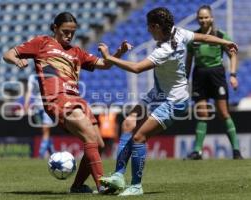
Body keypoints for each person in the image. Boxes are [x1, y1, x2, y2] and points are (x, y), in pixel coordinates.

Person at [97, 7, 238, 196]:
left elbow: (138, 68)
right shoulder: (179, 32)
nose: (147, 30)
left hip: (175, 100)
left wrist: (109, 58)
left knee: (139, 137)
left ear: (155, 26)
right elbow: (204, 38)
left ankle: (136, 185)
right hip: (158, 93)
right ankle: (118, 176)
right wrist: (225, 42)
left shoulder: (165, 49)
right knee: (129, 123)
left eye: (149, 27)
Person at [3, 12, 131, 193]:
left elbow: (105, 64)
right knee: (90, 137)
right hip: (57, 98)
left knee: (99, 144)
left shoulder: (76, 51)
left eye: (72, 32)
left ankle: (77, 186)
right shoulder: (41, 43)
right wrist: (17, 60)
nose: (69, 35)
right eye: (65, 31)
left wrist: (118, 53)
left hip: (77, 99)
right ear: (55, 28)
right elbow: (8, 54)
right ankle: (102, 184)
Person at [185, 5, 243, 160]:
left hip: (217, 75)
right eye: (201, 17)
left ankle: (236, 151)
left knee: (223, 113)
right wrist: (185, 78)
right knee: (202, 114)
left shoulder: (220, 35)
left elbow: (233, 55)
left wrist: (233, 75)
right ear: (198, 19)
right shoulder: (193, 38)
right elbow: (188, 61)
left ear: (211, 18)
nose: (203, 20)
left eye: (206, 17)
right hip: (199, 76)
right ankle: (197, 151)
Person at [24, 74, 54, 159]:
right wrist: (26, 103)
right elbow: (29, 91)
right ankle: (52, 152)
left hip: (47, 107)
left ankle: (41, 155)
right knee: (45, 131)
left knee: (45, 130)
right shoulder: (32, 77)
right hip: (37, 108)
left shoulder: (49, 75)